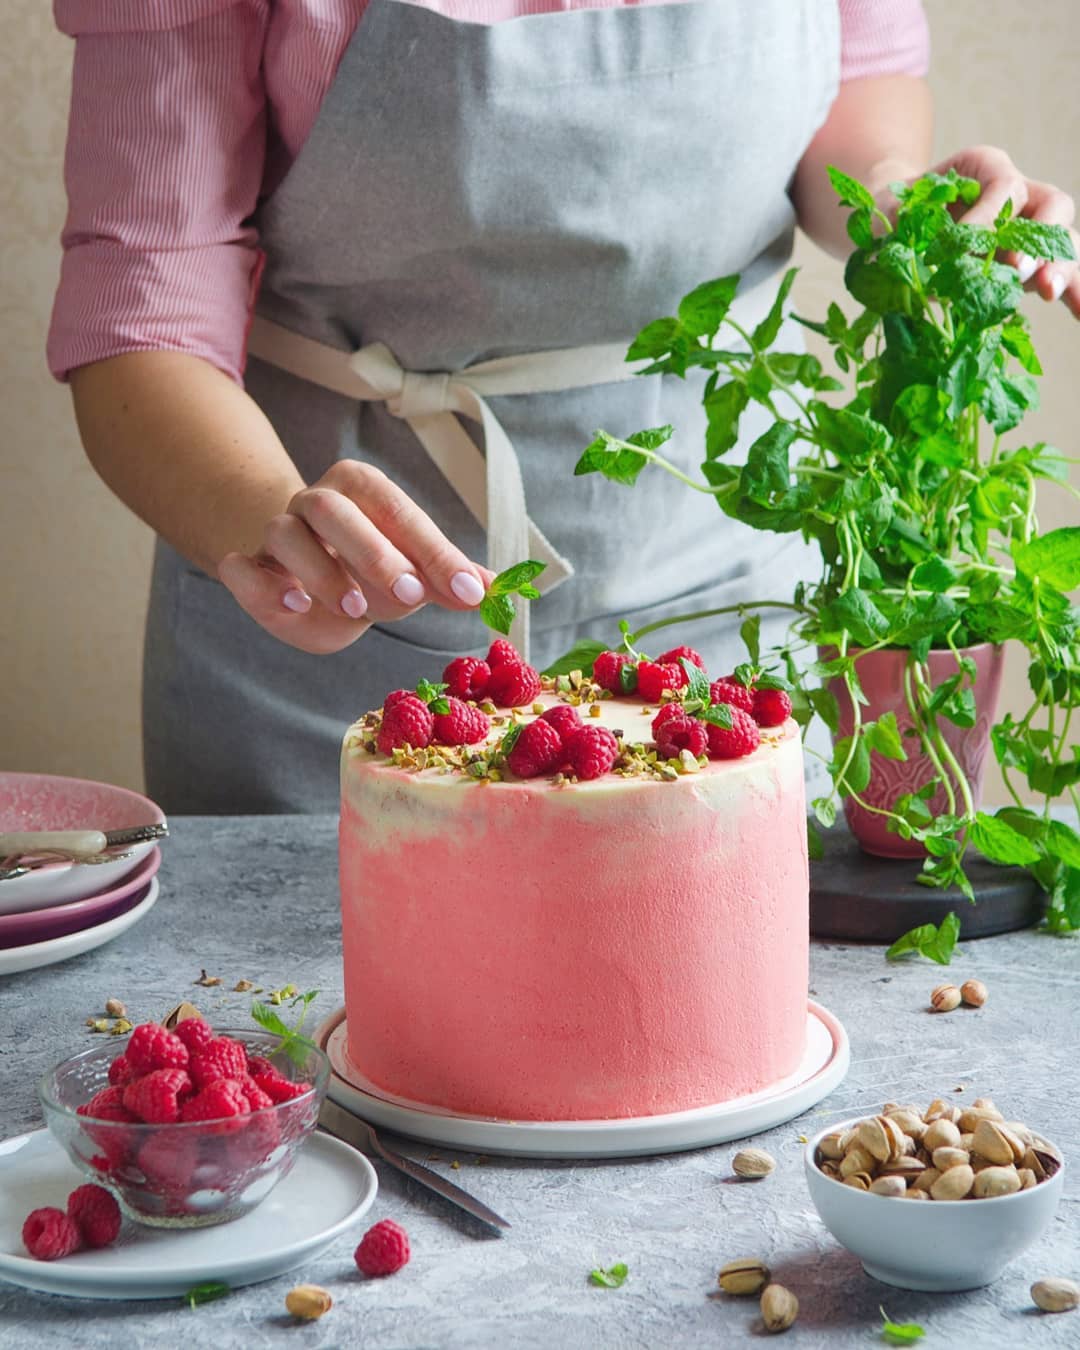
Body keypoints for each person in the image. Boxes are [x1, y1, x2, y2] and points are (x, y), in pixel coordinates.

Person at [49, 0, 1079, 815]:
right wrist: (267, 519)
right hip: (336, 634)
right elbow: (147, 299)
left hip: (724, 586)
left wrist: (910, 210)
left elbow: (851, 90)